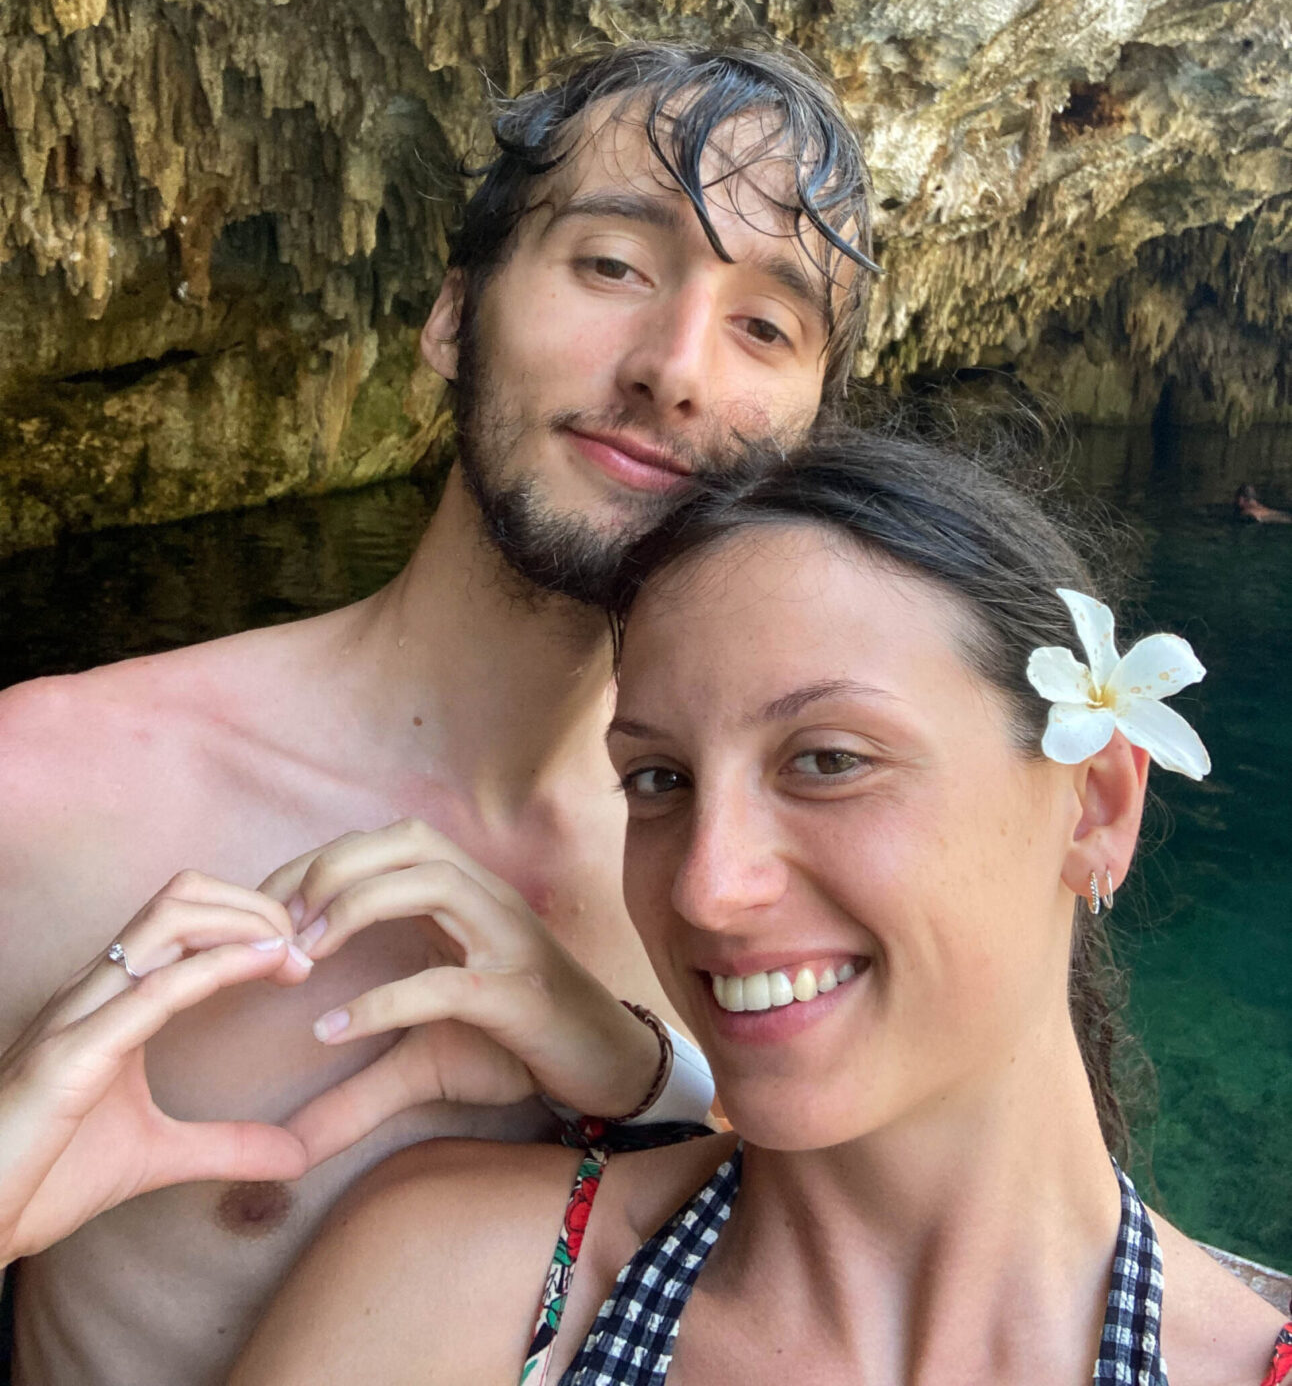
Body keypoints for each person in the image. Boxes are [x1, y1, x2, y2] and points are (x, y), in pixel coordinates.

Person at [0, 40, 878, 1385]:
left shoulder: (775, 892)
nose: (677, 370)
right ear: (455, 317)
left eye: (766, 326)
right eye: (612, 266)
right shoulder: (56, 787)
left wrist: (646, 1076)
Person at [231, 428, 1292, 1386]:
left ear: (1093, 805)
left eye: (827, 760)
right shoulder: (459, 1288)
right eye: (657, 779)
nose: (704, 887)